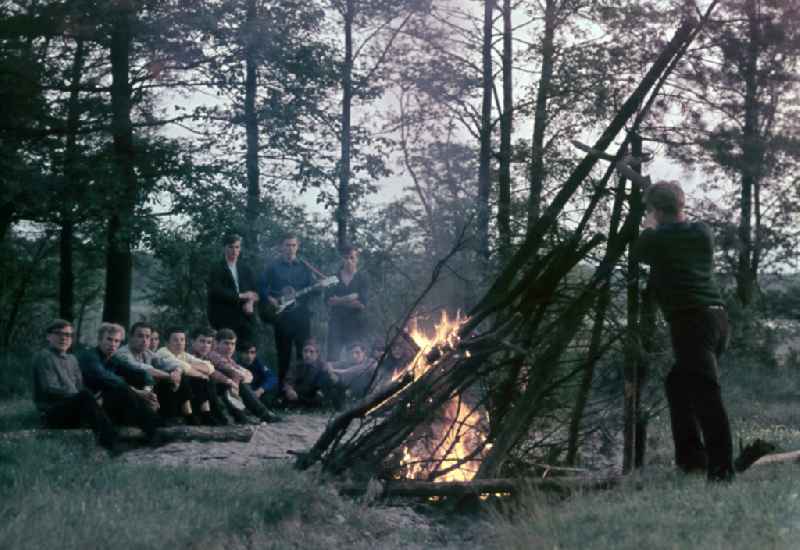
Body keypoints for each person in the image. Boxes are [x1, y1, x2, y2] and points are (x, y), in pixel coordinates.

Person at [632, 180, 734, 482]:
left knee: (706, 397)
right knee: (678, 385)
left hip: (691, 323)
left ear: (656, 211)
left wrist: (648, 226)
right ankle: (692, 460)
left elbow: (638, 253)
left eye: (651, 211)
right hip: (717, 320)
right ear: (681, 204)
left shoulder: (658, 239)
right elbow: (674, 232)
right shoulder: (701, 231)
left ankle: (721, 472)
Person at [33, 320, 160, 452]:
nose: (64, 338)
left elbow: (80, 386)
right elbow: (50, 389)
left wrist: (146, 390)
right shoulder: (44, 357)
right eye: (59, 334)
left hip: (77, 406)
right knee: (93, 394)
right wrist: (90, 398)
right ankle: (111, 443)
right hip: (52, 412)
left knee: (116, 393)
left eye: (68, 335)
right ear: (49, 336)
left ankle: (154, 430)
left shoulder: (72, 359)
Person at [260, 235, 317, 389]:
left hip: (302, 317)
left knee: (303, 355)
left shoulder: (305, 267)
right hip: (282, 318)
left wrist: (318, 288)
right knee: (283, 356)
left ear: (297, 247)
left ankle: (301, 393)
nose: (290, 248)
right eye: (287, 245)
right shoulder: (273, 267)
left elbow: (314, 291)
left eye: (293, 245)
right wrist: (269, 298)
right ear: (281, 247)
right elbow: (262, 285)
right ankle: (282, 394)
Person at [113, 321, 195, 424]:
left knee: (179, 376)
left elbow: (168, 363)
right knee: (151, 377)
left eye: (148, 337)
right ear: (131, 337)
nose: (144, 340)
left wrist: (177, 371)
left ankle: (175, 417)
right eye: (140, 336)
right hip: (128, 392)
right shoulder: (123, 353)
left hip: (146, 389)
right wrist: (170, 376)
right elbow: (144, 369)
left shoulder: (147, 353)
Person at [156, 326, 228, 426]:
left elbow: (209, 367)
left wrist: (195, 369)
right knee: (187, 377)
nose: (180, 343)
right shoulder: (162, 353)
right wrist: (200, 373)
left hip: (182, 394)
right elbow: (184, 367)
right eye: (175, 340)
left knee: (205, 378)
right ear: (167, 343)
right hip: (165, 396)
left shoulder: (183, 355)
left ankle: (206, 414)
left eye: (182, 339)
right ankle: (189, 416)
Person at [207, 329, 281, 423]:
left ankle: (244, 417)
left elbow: (249, 375)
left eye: (232, 344)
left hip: (226, 386)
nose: (229, 347)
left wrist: (240, 375)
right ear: (217, 343)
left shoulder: (229, 359)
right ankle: (262, 414)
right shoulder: (214, 355)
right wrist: (239, 375)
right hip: (211, 387)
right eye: (226, 343)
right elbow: (234, 372)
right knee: (236, 384)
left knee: (238, 383)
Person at [207, 233, 260, 347]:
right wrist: (241, 296)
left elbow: (255, 292)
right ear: (224, 248)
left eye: (237, 247)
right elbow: (216, 291)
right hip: (224, 318)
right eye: (231, 247)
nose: (234, 250)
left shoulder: (246, 269)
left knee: (247, 351)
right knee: (225, 352)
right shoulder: (216, 268)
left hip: (245, 318)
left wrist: (251, 302)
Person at [325, 245, 369, 361]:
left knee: (355, 359)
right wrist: (351, 297)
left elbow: (361, 305)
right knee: (333, 357)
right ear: (342, 259)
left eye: (352, 257)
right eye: (346, 258)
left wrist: (339, 300)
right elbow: (329, 302)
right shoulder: (333, 278)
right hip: (336, 324)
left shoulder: (362, 278)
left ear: (357, 259)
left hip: (355, 324)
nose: (349, 261)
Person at [283, 339, 341, 409]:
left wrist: (331, 374)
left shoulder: (323, 366)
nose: (308, 355)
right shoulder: (296, 366)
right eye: (305, 351)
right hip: (299, 395)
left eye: (311, 352)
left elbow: (334, 381)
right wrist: (289, 390)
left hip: (316, 396)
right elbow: (288, 380)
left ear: (317, 354)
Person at [238, 341, 280, 407]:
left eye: (252, 353)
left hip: (256, 392)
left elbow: (272, 378)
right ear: (240, 353)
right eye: (246, 353)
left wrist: (261, 390)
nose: (249, 356)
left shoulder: (258, 363)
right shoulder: (235, 364)